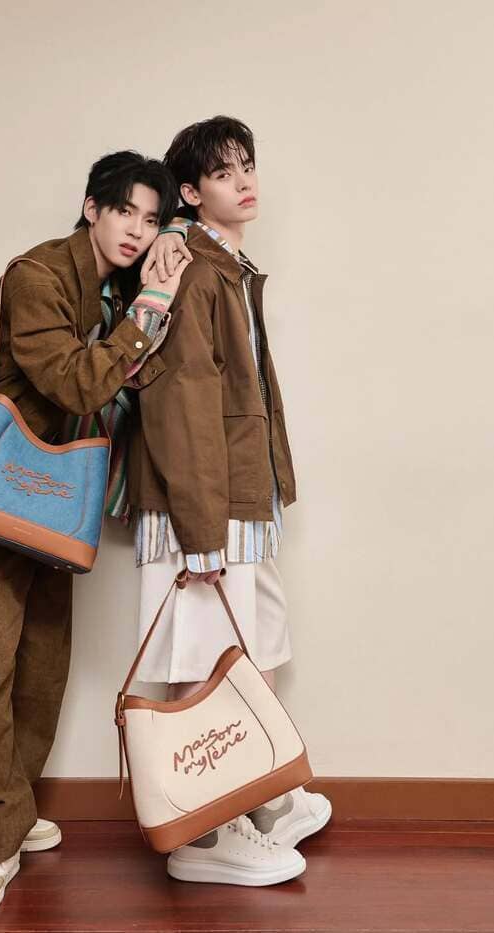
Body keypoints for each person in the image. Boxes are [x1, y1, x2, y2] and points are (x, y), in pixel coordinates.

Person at [0, 150, 189, 914]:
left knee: (42, 664)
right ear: (92, 207)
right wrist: (151, 307)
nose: (137, 230)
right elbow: (75, 382)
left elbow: (134, 381)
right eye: (125, 211)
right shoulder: (37, 276)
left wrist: (157, 282)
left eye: (151, 218)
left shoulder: (116, 291)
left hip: (56, 495)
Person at [129, 116, 332, 886]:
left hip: (241, 494)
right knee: (202, 658)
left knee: (258, 645)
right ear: (190, 191)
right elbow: (180, 402)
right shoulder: (192, 267)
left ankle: (262, 796)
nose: (244, 181)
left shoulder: (228, 265)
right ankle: (204, 834)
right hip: (204, 506)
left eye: (247, 165)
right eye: (222, 172)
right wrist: (200, 531)